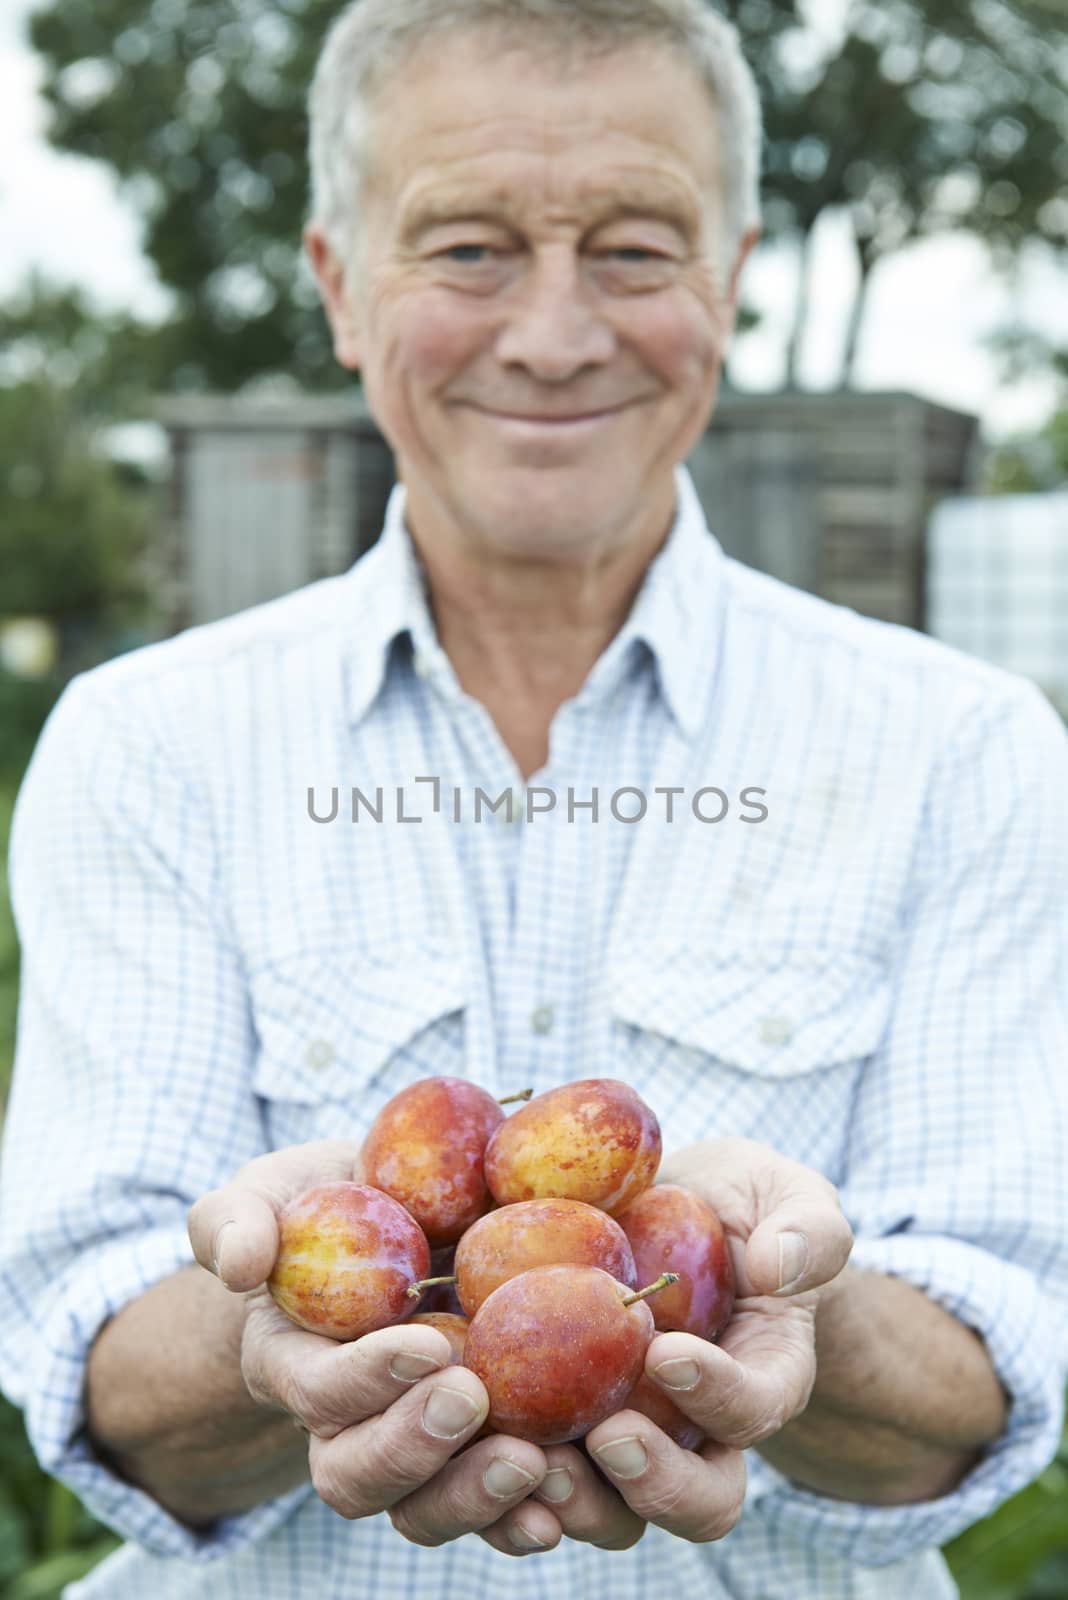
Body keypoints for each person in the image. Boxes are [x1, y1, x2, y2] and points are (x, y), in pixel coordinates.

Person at [1, 1, 1066, 1596]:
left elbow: (983, 1387)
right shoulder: (151, 742)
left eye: (636, 250)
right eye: (469, 249)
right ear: (339, 286)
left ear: (734, 277)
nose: (555, 334)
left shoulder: (962, 747)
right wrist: (261, 1333)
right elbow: (89, 1378)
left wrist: (774, 1298)